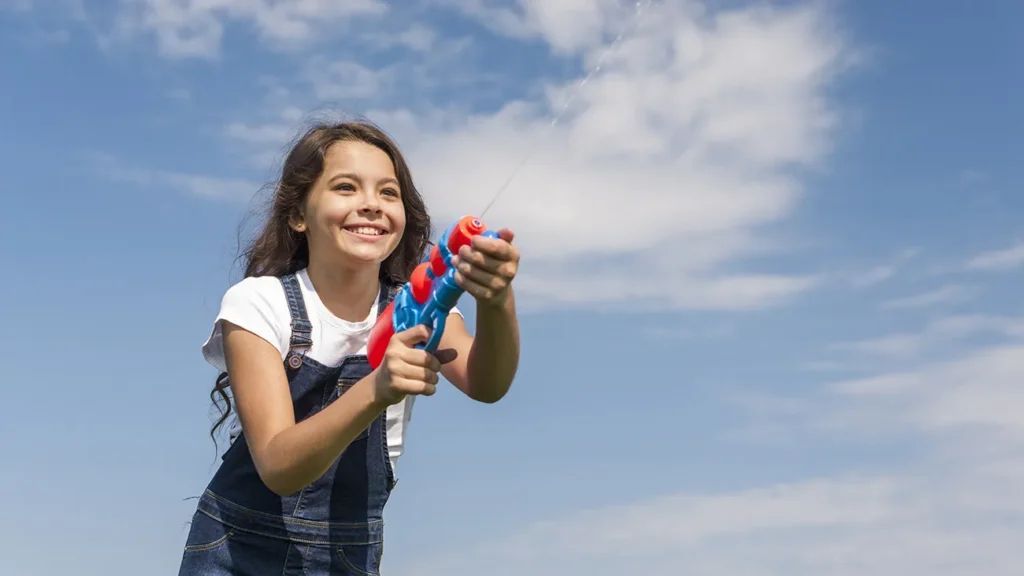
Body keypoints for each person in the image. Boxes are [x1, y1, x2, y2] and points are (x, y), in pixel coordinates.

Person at [177, 120, 521, 575]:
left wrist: (497, 301)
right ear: (298, 214)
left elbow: (487, 383)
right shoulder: (260, 303)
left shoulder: (416, 308)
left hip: (347, 556)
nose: (371, 205)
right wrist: (376, 389)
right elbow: (280, 467)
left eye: (388, 193)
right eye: (346, 187)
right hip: (237, 553)